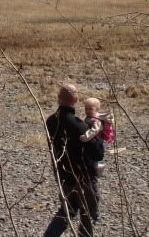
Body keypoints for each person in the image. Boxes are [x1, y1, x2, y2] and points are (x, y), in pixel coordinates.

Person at [44, 83, 98, 237]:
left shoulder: (50, 121)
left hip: (63, 174)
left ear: (58, 98)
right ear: (76, 100)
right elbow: (97, 153)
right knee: (88, 213)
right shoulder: (79, 126)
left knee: (67, 211)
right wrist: (97, 133)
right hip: (83, 177)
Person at [79, 97, 113, 175]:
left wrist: (84, 137)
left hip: (96, 144)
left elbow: (93, 131)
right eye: (86, 109)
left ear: (97, 109)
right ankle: (91, 170)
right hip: (91, 143)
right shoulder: (89, 118)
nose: (87, 111)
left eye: (90, 109)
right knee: (89, 158)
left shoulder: (97, 120)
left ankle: (95, 172)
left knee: (94, 159)